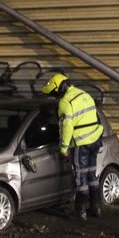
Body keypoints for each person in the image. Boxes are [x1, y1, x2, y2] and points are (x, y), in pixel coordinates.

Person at [41, 73, 104, 221]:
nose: (55, 98)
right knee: (91, 173)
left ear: (60, 89)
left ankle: (79, 212)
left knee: (80, 176)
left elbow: (66, 127)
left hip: (80, 144)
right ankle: (96, 208)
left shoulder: (65, 103)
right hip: (94, 140)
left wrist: (63, 149)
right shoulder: (84, 95)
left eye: (54, 94)